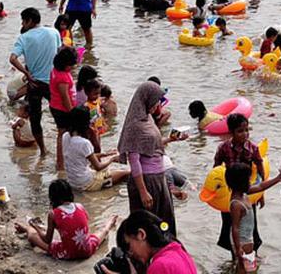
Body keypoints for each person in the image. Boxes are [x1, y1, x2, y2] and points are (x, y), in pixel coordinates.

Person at [118, 81, 182, 236]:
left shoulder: (148, 119)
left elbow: (151, 147)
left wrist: (171, 140)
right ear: (146, 99)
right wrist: (143, 191)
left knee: (165, 221)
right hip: (146, 181)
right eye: (155, 101)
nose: (158, 105)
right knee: (148, 224)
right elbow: (134, 160)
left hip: (159, 177)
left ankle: (167, 253)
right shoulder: (135, 125)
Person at [15, 179, 118, 260]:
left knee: (32, 236)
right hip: (87, 250)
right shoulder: (80, 206)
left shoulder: (53, 214)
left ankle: (27, 228)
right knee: (102, 232)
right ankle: (109, 223)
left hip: (68, 253)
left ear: (53, 198)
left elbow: (47, 240)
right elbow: (82, 225)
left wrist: (35, 227)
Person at [10, 6, 60, 157]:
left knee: (36, 119)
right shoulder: (54, 32)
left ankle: (43, 151)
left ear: (29, 21)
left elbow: (13, 59)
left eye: (23, 22)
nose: (22, 25)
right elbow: (59, 54)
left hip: (35, 84)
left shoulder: (24, 38)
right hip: (53, 83)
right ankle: (61, 151)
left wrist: (26, 73)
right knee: (60, 117)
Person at [213, 113, 267, 255]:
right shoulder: (224, 148)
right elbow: (216, 170)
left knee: (250, 226)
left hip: (247, 192)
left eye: (247, 130)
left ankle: (252, 255)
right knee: (230, 225)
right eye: (240, 131)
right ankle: (235, 255)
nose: (245, 134)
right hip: (228, 194)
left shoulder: (252, 148)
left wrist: (261, 195)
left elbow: (260, 170)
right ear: (231, 132)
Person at [226, 162, 281, 272]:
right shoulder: (236, 204)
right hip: (242, 241)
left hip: (247, 238)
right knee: (244, 268)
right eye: (248, 179)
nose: (250, 181)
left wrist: (278, 178)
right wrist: (238, 248)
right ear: (241, 182)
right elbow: (235, 228)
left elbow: (261, 186)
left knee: (246, 266)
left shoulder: (243, 193)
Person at [105, 210, 198, 274]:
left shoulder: (160, 266)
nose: (130, 254)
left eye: (128, 246)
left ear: (141, 234)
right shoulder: (178, 249)